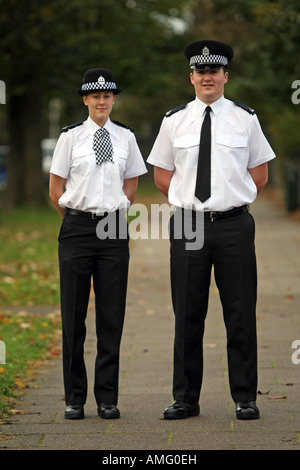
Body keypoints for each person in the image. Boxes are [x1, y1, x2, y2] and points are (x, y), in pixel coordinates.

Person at [147, 40, 276, 420]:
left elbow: (260, 173)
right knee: (187, 313)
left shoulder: (245, 118)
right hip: (188, 224)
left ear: (225, 76)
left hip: (234, 223)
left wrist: (229, 198)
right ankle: (185, 397)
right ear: (191, 77)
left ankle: (245, 396)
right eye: (200, 72)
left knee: (240, 311)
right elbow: (162, 175)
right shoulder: (174, 121)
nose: (207, 77)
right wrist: (190, 201)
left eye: (214, 71)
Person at [49, 68, 147, 420]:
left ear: (113, 99)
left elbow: (131, 184)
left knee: (111, 315)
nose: (102, 101)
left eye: (107, 96)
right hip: (76, 228)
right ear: (85, 100)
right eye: (95, 96)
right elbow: (55, 189)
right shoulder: (70, 138)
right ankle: (74, 397)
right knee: (74, 315)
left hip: (113, 230)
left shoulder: (126, 137)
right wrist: (78, 221)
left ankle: (107, 397)